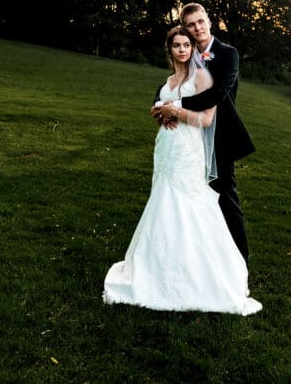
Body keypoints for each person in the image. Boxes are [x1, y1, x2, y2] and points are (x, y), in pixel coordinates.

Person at [103, 26, 261, 315]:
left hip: (188, 149)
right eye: (177, 45)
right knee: (162, 201)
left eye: (187, 45)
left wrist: (175, 111)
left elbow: (207, 118)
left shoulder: (201, 77)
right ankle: (156, 265)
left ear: (193, 49)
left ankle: (199, 272)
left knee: (187, 202)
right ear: (170, 50)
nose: (182, 50)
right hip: (166, 147)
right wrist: (159, 114)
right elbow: (158, 108)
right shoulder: (167, 82)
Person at [154, 3, 255, 263]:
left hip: (220, 136)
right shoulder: (187, 51)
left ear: (209, 21)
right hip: (189, 139)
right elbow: (173, 82)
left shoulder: (227, 53)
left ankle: (240, 261)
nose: (197, 27)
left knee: (225, 198)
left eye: (200, 21)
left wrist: (174, 108)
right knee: (190, 198)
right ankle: (198, 256)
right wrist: (159, 105)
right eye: (191, 24)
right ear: (185, 28)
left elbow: (216, 94)